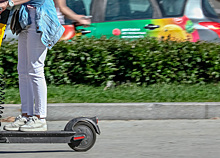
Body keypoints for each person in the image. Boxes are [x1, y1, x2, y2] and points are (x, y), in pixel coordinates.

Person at [0, 0, 88, 132]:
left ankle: (40, 118)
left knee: (35, 69)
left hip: (40, 18)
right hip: (25, 19)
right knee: (23, 70)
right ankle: (26, 115)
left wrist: (9, 3)